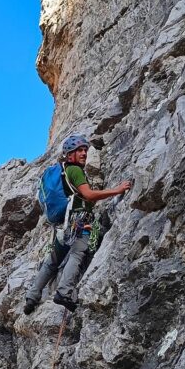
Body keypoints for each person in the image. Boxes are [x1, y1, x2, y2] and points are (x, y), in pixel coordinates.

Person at [24, 134, 131, 314]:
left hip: (62, 225)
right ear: (69, 154)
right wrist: (117, 190)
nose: (83, 153)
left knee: (52, 262)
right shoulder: (74, 170)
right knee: (78, 253)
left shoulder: (61, 170)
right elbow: (88, 195)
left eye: (85, 150)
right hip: (78, 223)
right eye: (79, 150)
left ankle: (31, 298)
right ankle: (64, 293)